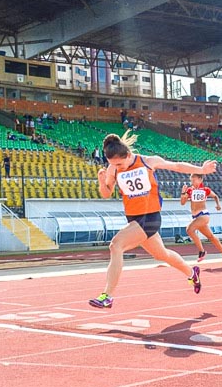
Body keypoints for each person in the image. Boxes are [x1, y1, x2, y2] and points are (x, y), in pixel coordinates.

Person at [89, 131, 213, 308]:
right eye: (113, 164)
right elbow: (106, 193)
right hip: (134, 220)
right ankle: (192, 273)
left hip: (151, 217)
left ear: (129, 155)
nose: (118, 167)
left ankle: (107, 296)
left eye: (120, 163)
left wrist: (201, 170)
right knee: (161, 254)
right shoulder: (113, 168)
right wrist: (102, 182)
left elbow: (176, 166)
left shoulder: (148, 161)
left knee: (116, 245)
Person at [181, 173, 222, 265]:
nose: (192, 182)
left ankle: (201, 251)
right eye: (191, 180)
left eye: (194, 180)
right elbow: (182, 203)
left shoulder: (205, 189)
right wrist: (183, 192)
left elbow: (215, 196)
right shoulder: (190, 190)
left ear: (200, 179)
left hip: (203, 215)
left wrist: (218, 205)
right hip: (196, 217)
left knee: (189, 230)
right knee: (211, 237)